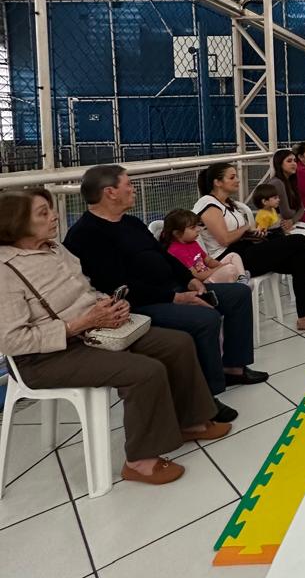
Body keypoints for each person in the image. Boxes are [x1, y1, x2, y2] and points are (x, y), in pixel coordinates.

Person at [0, 189, 230, 486]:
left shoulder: (55, 249)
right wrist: (78, 324)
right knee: (144, 372)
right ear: (16, 223)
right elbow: (12, 340)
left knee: (176, 343)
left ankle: (191, 421)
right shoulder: (6, 271)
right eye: (43, 213)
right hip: (47, 356)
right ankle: (140, 461)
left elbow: (84, 290)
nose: (55, 216)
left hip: (95, 330)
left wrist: (107, 304)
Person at [64, 165, 267, 422]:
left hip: (172, 289)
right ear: (110, 192)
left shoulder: (131, 222)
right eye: (128, 184)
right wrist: (175, 298)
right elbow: (114, 284)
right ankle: (205, 397)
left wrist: (189, 280)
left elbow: (164, 255)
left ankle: (233, 368)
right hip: (139, 303)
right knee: (205, 319)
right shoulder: (86, 234)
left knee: (238, 294)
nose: (134, 189)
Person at [194, 162, 305, 333]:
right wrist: (245, 229)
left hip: (244, 249)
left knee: (300, 259)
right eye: (232, 177)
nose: (238, 180)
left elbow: (237, 234)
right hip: (229, 259)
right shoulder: (208, 204)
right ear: (217, 182)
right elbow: (224, 240)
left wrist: (252, 233)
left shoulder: (228, 204)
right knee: (298, 241)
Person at [159, 209, 248, 283]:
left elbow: (208, 261)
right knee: (230, 270)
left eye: (197, 226)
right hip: (203, 283)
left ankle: (242, 279)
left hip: (209, 273)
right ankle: (239, 278)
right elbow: (196, 276)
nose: (198, 229)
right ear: (177, 233)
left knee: (233, 256)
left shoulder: (192, 242)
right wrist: (220, 269)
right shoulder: (176, 251)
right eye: (193, 227)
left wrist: (221, 265)